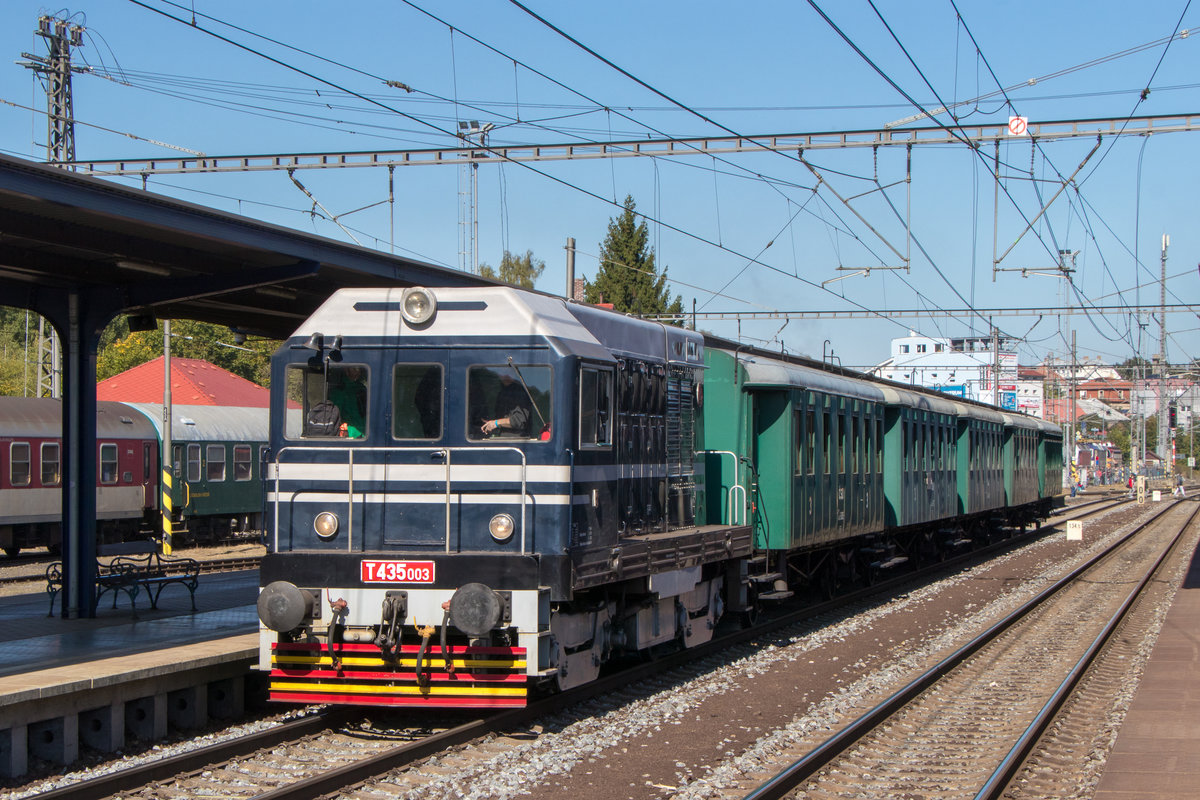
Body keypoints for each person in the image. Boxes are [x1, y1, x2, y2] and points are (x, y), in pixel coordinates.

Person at [329, 366, 367, 438]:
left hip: (366, 432)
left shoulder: (362, 388)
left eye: (359, 369)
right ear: (346, 370)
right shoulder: (339, 392)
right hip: (351, 436)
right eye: (355, 368)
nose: (358, 372)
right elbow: (335, 416)